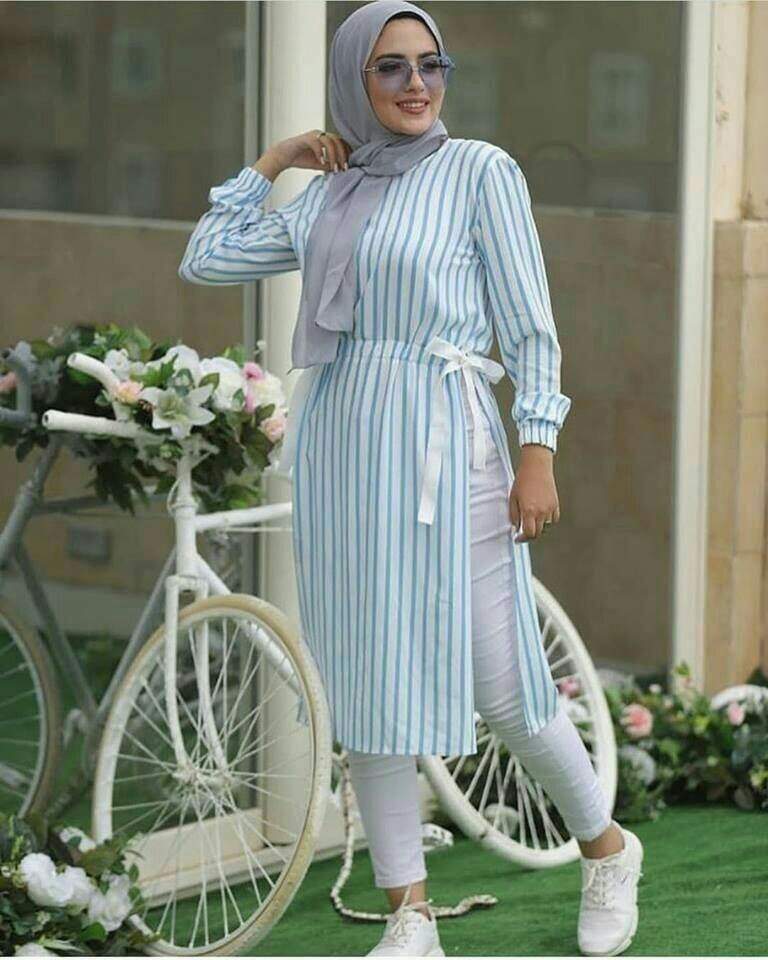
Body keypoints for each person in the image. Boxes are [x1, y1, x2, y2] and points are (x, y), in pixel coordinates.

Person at [178, 2, 644, 955]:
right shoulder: (329, 196)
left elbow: (529, 325)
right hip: (345, 447)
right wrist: (277, 161)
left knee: (503, 683)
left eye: (431, 64)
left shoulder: (480, 171)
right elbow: (206, 258)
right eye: (389, 67)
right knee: (367, 682)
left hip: (447, 439)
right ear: (356, 80)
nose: (416, 84)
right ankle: (409, 913)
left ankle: (606, 848)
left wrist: (538, 448)